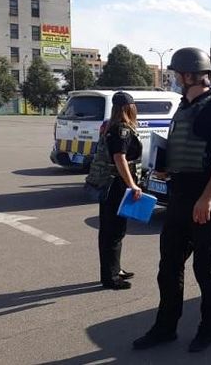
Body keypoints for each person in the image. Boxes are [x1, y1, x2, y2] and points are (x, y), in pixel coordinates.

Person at [133, 47, 211, 353]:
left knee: (207, 269)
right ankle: (165, 327)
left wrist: (207, 198)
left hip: (205, 200)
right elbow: (184, 146)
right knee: (168, 267)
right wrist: (167, 166)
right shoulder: (183, 106)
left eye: (177, 74)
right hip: (179, 197)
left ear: (190, 75)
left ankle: (208, 329)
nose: (175, 79)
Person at [96, 91, 143, 290]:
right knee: (114, 231)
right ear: (128, 108)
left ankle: (114, 268)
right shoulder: (122, 129)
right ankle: (111, 277)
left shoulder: (110, 126)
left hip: (110, 184)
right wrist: (132, 184)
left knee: (111, 230)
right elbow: (119, 158)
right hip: (117, 184)